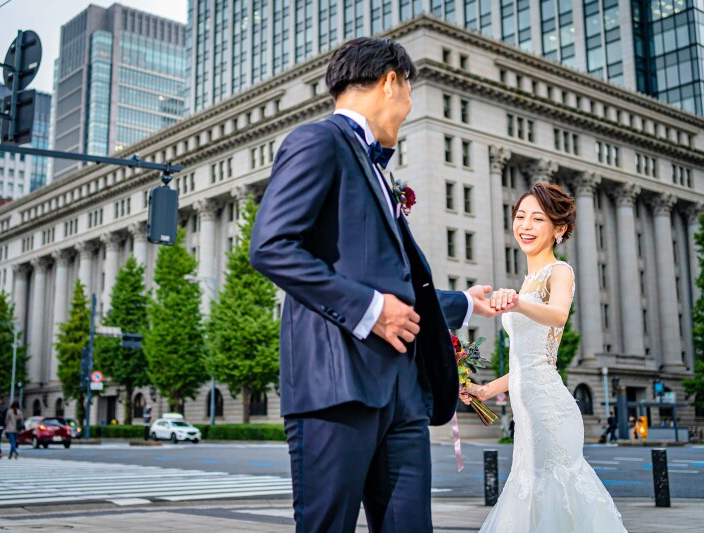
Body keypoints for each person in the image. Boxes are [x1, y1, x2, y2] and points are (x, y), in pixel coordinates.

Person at [250, 37, 512, 532]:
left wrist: (463, 304)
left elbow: (390, 283)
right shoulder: (318, 141)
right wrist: (370, 310)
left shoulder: (374, 167)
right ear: (391, 82)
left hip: (403, 395)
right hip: (338, 388)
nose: (408, 107)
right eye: (410, 91)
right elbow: (271, 246)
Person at [461, 184, 627, 532]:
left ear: (559, 229)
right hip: (527, 413)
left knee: (554, 496)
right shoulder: (525, 284)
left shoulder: (559, 271)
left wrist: (518, 303)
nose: (525, 225)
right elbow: (527, 362)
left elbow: (558, 315)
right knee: (531, 496)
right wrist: (483, 390)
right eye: (520, 216)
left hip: (550, 411)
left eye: (538, 219)